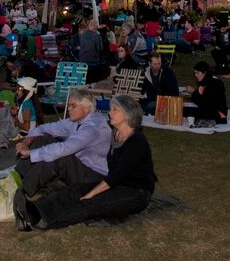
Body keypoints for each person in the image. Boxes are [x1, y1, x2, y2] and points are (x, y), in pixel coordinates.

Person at [14, 94, 155, 231]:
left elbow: (117, 175)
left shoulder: (136, 141)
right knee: (75, 191)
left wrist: (92, 192)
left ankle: (39, 220)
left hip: (136, 192)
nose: (110, 112)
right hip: (115, 183)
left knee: (87, 202)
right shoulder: (115, 134)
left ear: (127, 114)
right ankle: (34, 209)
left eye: (114, 110)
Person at [14, 88, 112, 198]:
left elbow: (63, 149)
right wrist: (26, 143)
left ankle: (23, 190)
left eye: (73, 106)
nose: (68, 109)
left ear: (87, 108)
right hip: (77, 166)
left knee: (57, 155)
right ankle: (17, 176)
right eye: (69, 105)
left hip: (93, 177)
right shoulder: (75, 121)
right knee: (45, 139)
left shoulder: (93, 127)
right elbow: (43, 128)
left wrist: (30, 153)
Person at [184, 61, 228, 126]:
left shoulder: (215, 83)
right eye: (195, 73)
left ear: (204, 73)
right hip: (209, 109)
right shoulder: (204, 82)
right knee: (185, 110)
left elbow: (205, 102)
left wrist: (193, 93)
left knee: (190, 112)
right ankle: (205, 120)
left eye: (197, 73)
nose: (195, 75)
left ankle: (211, 121)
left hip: (218, 113)